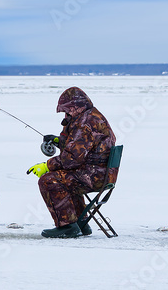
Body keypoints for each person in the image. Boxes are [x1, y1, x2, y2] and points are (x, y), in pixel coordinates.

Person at [27, 87, 118, 238]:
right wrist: (58, 140)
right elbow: (80, 148)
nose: (66, 114)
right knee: (66, 178)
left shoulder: (85, 123)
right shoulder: (91, 116)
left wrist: (46, 166)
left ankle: (67, 226)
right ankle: (81, 223)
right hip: (100, 173)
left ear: (75, 106)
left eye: (67, 110)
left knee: (48, 180)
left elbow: (71, 159)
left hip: (93, 176)